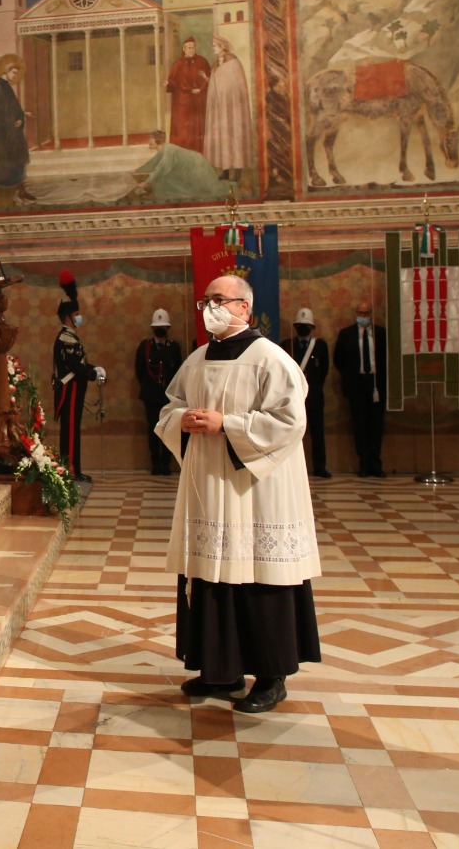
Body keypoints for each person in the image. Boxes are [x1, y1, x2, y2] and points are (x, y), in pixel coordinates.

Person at [156, 274, 322, 715]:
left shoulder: (270, 358)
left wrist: (226, 424)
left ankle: (272, 676)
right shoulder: (196, 359)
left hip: (257, 490)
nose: (210, 307)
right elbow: (169, 405)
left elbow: (290, 422)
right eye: (205, 301)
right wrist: (182, 421)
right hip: (210, 485)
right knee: (211, 573)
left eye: (218, 300)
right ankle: (221, 668)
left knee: (259, 576)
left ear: (245, 308)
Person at [52, 270, 103, 482]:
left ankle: (74, 469)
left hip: (75, 386)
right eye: (76, 315)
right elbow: (74, 365)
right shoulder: (66, 337)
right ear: (68, 317)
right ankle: (71, 470)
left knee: (73, 429)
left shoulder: (71, 337)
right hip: (70, 387)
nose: (78, 318)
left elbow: (79, 362)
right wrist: (92, 373)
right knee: (70, 430)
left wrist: (94, 368)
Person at [334, 300, 386, 477]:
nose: (363, 317)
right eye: (360, 313)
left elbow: (387, 359)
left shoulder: (381, 334)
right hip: (356, 385)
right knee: (360, 425)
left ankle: (376, 463)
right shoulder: (346, 334)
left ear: (371, 315)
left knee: (376, 426)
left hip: (376, 385)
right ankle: (363, 463)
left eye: (366, 314)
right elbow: (338, 360)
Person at [280, 307, 331, 479]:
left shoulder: (320, 346)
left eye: (305, 326)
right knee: (291, 431)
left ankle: (319, 466)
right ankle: (291, 467)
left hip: (314, 395)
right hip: (292, 396)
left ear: (312, 327)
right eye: (299, 325)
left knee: (318, 432)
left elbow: (324, 370)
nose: (302, 329)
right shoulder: (287, 345)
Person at [134, 309, 181, 476]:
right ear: (153, 329)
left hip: (168, 397)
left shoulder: (174, 347)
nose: (160, 330)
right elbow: (139, 370)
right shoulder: (145, 347)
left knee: (168, 430)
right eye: (157, 327)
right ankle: (156, 463)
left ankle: (166, 463)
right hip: (151, 396)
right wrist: (148, 387)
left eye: (163, 327)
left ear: (168, 328)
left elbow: (178, 372)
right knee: (153, 429)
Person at [0, 53, 33, 201]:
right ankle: (17, 189)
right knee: (12, 159)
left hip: (10, 131)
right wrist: (13, 122)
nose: (15, 75)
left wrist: (21, 115)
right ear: (6, 71)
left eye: (16, 73)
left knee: (17, 159)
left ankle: (21, 189)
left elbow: (12, 108)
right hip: (3, 133)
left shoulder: (6, 87)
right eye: (13, 72)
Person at [203, 37, 255, 181]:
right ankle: (225, 171)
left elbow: (238, 86)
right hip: (220, 109)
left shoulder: (233, 62)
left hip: (233, 109)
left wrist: (226, 95)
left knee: (235, 138)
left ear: (222, 47)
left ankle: (237, 172)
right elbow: (216, 84)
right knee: (222, 138)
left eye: (215, 46)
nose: (213, 48)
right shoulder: (215, 64)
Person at [165, 38, 212, 153]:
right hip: (182, 104)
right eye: (189, 48)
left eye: (193, 47)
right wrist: (168, 84)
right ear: (184, 49)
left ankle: (199, 155)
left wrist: (200, 89)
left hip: (198, 102)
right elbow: (173, 82)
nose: (191, 50)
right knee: (183, 131)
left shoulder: (202, 61)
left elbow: (209, 80)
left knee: (197, 129)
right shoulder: (178, 64)